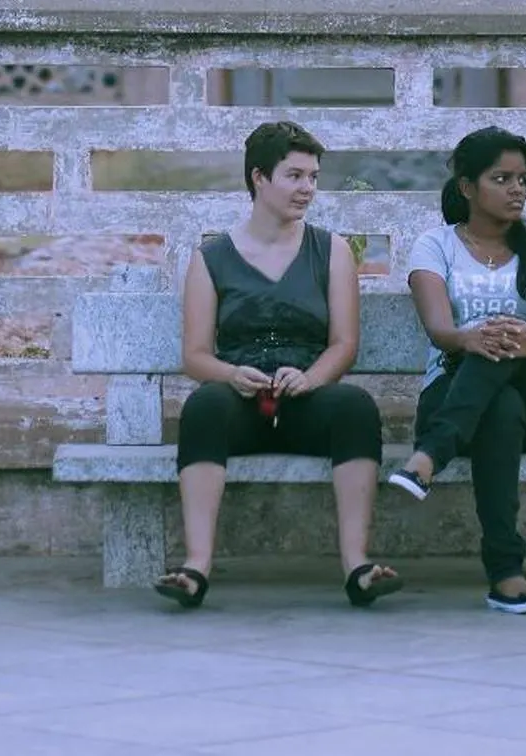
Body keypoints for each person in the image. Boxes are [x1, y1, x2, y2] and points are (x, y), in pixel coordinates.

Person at [155, 118, 401, 611]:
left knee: (354, 406)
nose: (307, 188)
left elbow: (343, 344)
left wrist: (311, 378)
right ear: (258, 178)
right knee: (203, 406)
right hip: (241, 400)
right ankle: (196, 566)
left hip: (306, 398)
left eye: (312, 177)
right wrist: (229, 375)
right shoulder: (212, 257)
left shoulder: (330, 251)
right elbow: (196, 355)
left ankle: (357, 565)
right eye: (294, 176)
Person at [387, 127, 526, 614]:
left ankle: (429, 456)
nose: (518, 189)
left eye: (524, 179)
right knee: (499, 404)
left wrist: (525, 338)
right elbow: (440, 332)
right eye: (502, 178)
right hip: (456, 391)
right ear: (468, 187)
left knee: (505, 346)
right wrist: (469, 337)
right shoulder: (435, 246)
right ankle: (507, 576)